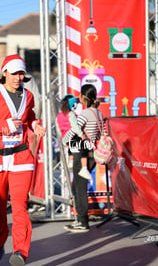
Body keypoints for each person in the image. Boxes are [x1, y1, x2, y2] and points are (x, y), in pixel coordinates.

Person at [0, 54, 46, 266]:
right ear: (4, 73)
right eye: (14, 73)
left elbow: (29, 116)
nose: (18, 77)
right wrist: (2, 128)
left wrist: (35, 125)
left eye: (21, 73)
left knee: (21, 206)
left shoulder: (29, 96)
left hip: (21, 157)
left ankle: (20, 252)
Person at [62, 84, 105, 233]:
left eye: (80, 97)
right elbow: (102, 133)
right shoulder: (98, 113)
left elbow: (75, 130)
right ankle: (80, 219)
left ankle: (82, 221)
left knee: (79, 189)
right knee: (77, 186)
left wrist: (64, 140)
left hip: (81, 154)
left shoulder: (85, 114)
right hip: (92, 155)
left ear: (83, 98)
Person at [56, 94, 89, 177]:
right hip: (73, 135)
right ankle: (84, 168)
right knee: (84, 147)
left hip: (65, 137)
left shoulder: (59, 115)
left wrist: (63, 138)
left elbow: (58, 128)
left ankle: (70, 162)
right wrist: (81, 134)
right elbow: (75, 126)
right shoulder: (71, 114)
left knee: (72, 146)